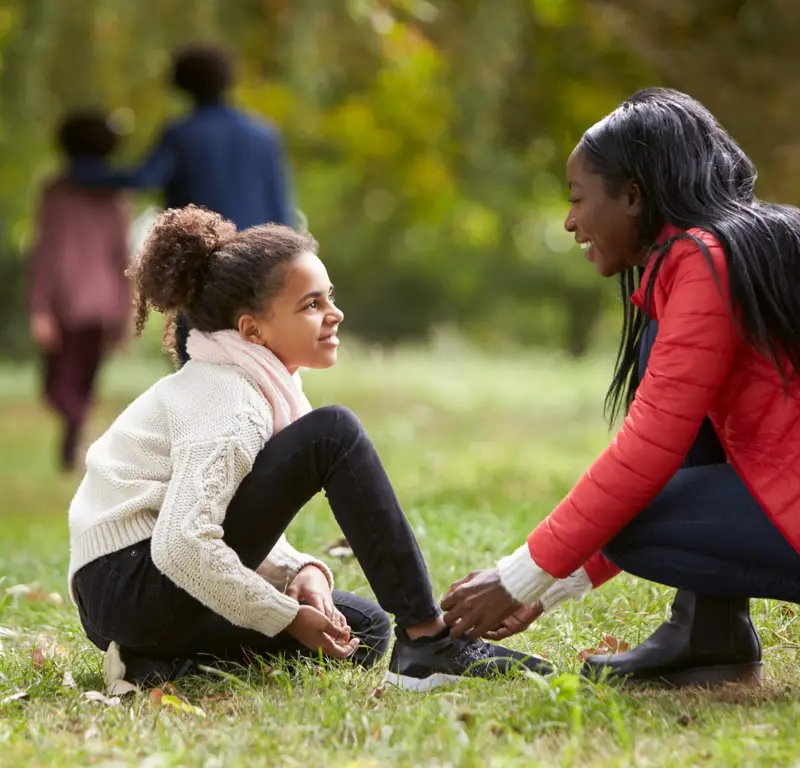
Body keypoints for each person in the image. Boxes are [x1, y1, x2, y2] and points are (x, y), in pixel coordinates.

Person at [441, 87, 800, 698]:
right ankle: (709, 631)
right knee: (645, 407)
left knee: (626, 521)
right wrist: (551, 587)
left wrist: (521, 578)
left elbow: (646, 453)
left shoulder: (711, 261)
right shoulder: (724, 252)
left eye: (577, 199)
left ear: (632, 196)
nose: (570, 221)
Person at [67, 205, 550, 693]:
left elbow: (223, 508)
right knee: (332, 433)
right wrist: (281, 613)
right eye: (311, 304)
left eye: (330, 297)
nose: (334, 313)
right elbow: (183, 544)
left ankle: (158, 661)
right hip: (129, 581)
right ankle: (428, 640)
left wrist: (301, 574)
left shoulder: (250, 384)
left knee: (361, 628)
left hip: (129, 600)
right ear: (252, 330)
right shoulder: (227, 400)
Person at [70, 43, 295, 364]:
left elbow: (144, 179)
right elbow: (280, 208)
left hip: (200, 259)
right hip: (256, 259)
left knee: (196, 349)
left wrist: (84, 171)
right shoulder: (264, 135)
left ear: (182, 83)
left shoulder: (181, 134)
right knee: (256, 349)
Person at [29, 110, 132, 472]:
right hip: (102, 303)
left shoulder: (57, 193)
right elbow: (123, 256)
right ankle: (71, 455)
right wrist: (124, 312)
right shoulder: (116, 196)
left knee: (59, 388)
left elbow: (46, 252)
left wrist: (40, 307)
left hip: (69, 303)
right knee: (78, 387)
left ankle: (87, 439)